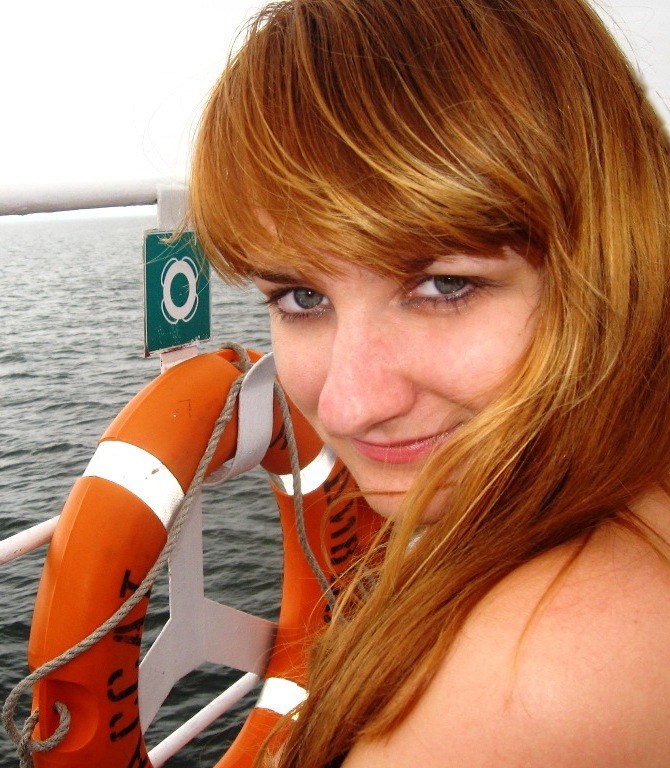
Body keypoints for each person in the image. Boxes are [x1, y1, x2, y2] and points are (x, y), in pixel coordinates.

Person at [188, 0, 670, 764]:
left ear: (611, 256)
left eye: (445, 285)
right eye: (301, 297)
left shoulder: (527, 680)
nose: (349, 405)